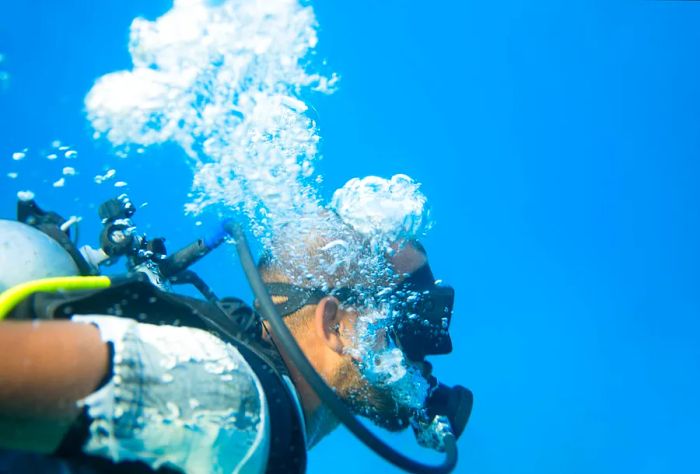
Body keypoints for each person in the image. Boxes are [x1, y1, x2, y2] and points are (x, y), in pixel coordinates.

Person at [0, 198, 470, 474]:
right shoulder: (237, 402)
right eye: (407, 326)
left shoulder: (263, 420)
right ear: (334, 326)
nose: (426, 358)